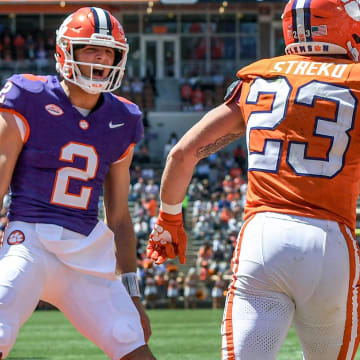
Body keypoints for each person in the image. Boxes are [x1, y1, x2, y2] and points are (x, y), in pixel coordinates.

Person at [146, 0, 360, 358]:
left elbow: (182, 154)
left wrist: (169, 219)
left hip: (263, 238)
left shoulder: (259, 77)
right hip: (330, 242)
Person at [0, 7, 156, 360]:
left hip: (86, 252)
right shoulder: (27, 96)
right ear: (65, 51)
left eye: (109, 51)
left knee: (128, 337)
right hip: (29, 242)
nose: (102, 57)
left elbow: (118, 218)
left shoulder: (124, 117)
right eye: (90, 48)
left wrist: (133, 294)